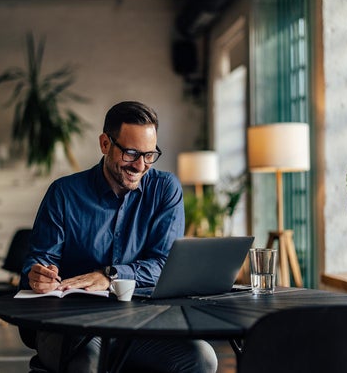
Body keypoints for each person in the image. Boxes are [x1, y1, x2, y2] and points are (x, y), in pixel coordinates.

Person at [20, 101, 218, 373]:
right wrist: (38, 275)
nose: (140, 165)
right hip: (70, 324)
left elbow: (165, 265)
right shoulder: (64, 194)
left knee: (202, 358)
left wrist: (110, 275)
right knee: (88, 361)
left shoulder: (165, 190)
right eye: (131, 153)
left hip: (138, 323)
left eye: (149, 155)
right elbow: (39, 260)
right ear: (104, 144)